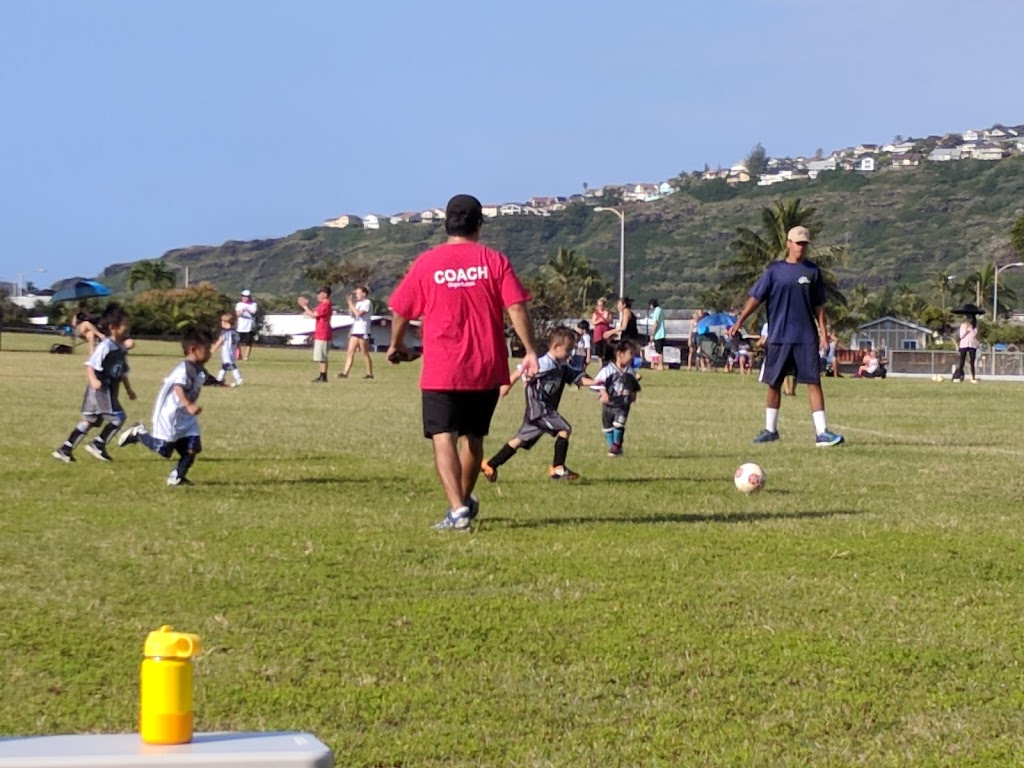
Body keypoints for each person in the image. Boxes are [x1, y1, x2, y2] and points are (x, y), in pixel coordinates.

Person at [387, 193, 539, 531]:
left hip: (442, 366)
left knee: (443, 436)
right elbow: (516, 307)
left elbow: (400, 310)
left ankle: (457, 509)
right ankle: (463, 503)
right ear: (479, 224)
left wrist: (396, 345)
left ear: (447, 224)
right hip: (486, 365)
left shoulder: (427, 262)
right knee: (474, 437)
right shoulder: (493, 260)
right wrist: (530, 350)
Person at [729, 226, 844, 447]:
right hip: (779, 336)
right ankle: (770, 430)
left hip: (805, 337)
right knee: (774, 382)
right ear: (789, 244)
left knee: (813, 381)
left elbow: (819, 307)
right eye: (798, 243)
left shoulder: (813, 271)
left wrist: (824, 334)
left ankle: (822, 432)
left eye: (805, 243)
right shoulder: (774, 271)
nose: (801, 247)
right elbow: (756, 298)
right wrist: (740, 321)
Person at [481, 327, 597, 482]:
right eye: (568, 349)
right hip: (539, 410)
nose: (570, 353)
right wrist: (507, 386)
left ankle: (491, 464)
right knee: (565, 429)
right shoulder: (543, 363)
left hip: (542, 411)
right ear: (556, 347)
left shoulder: (562, 366)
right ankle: (557, 467)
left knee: (519, 440)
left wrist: (596, 383)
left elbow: (578, 379)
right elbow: (521, 370)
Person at [119, 327, 212, 486]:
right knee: (164, 450)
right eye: (207, 349)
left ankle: (177, 477)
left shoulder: (199, 369)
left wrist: (223, 383)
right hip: (170, 414)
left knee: (193, 447)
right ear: (193, 350)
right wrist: (189, 404)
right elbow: (178, 387)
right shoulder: (184, 369)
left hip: (187, 417)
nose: (210, 353)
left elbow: (207, 378)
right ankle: (139, 433)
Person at [52, 304, 137, 463]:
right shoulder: (106, 346)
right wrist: (93, 380)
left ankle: (65, 449)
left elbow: (122, 371)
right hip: (101, 389)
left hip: (106, 390)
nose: (128, 327)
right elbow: (90, 364)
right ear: (112, 327)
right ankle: (98, 444)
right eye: (125, 324)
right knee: (118, 417)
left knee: (90, 421)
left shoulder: (120, 348)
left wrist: (129, 390)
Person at [593, 340, 642, 456]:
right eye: (631, 354)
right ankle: (613, 448)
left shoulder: (630, 371)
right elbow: (599, 383)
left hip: (623, 404)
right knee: (608, 427)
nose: (632, 357)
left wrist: (633, 395)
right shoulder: (607, 370)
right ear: (620, 354)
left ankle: (616, 446)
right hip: (609, 404)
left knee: (619, 424)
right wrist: (603, 393)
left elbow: (633, 385)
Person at [298, 286, 333, 383]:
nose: (317, 295)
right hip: (322, 332)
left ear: (325, 294)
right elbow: (314, 312)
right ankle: (322, 375)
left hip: (323, 332)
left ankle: (323, 376)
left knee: (322, 356)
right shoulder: (323, 304)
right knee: (321, 356)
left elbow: (314, 315)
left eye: (319, 293)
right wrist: (307, 306)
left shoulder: (325, 304)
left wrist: (304, 306)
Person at [339, 286, 374, 380]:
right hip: (355, 330)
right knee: (350, 352)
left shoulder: (367, 302)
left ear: (364, 294)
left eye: (358, 293)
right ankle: (345, 372)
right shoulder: (358, 304)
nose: (356, 295)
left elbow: (359, 314)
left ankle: (369, 373)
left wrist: (351, 304)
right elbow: (353, 315)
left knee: (364, 353)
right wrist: (350, 305)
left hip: (363, 331)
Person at [210, 312, 243, 387]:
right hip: (232, 351)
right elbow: (238, 343)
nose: (221, 323)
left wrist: (212, 350)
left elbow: (219, 341)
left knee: (231, 365)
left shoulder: (224, 332)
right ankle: (219, 378)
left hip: (227, 352)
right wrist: (239, 353)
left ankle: (239, 379)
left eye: (222, 321)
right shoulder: (235, 332)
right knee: (225, 365)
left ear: (226, 322)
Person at [954, 315, 979, 383]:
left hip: (972, 345)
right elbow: (961, 336)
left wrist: (972, 329)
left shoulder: (974, 327)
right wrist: (966, 330)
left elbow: (974, 335)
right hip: (964, 345)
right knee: (962, 361)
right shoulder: (963, 326)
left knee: (972, 361)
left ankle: (973, 377)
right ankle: (959, 376)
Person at [235, 290, 258, 361]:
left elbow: (253, 312)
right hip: (240, 326)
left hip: (249, 326)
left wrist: (247, 310)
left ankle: (246, 356)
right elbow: (237, 314)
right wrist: (241, 312)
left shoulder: (253, 304)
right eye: (243, 296)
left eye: (247, 297)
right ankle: (239, 355)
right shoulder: (239, 304)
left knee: (248, 342)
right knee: (237, 341)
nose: (245, 298)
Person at [590, 298, 612, 363]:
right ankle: (600, 363)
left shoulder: (607, 313)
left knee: (606, 348)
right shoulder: (595, 313)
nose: (599, 307)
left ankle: (606, 361)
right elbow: (593, 322)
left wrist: (606, 318)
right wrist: (599, 320)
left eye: (601, 305)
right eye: (598, 305)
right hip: (598, 333)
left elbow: (610, 321)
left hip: (605, 333)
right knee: (599, 350)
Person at [648, 298, 666, 371]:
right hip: (663, 333)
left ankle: (660, 365)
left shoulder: (656, 311)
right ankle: (661, 365)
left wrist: (652, 333)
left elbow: (655, 323)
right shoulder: (660, 310)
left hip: (658, 334)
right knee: (660, 350)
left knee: (659, 351)